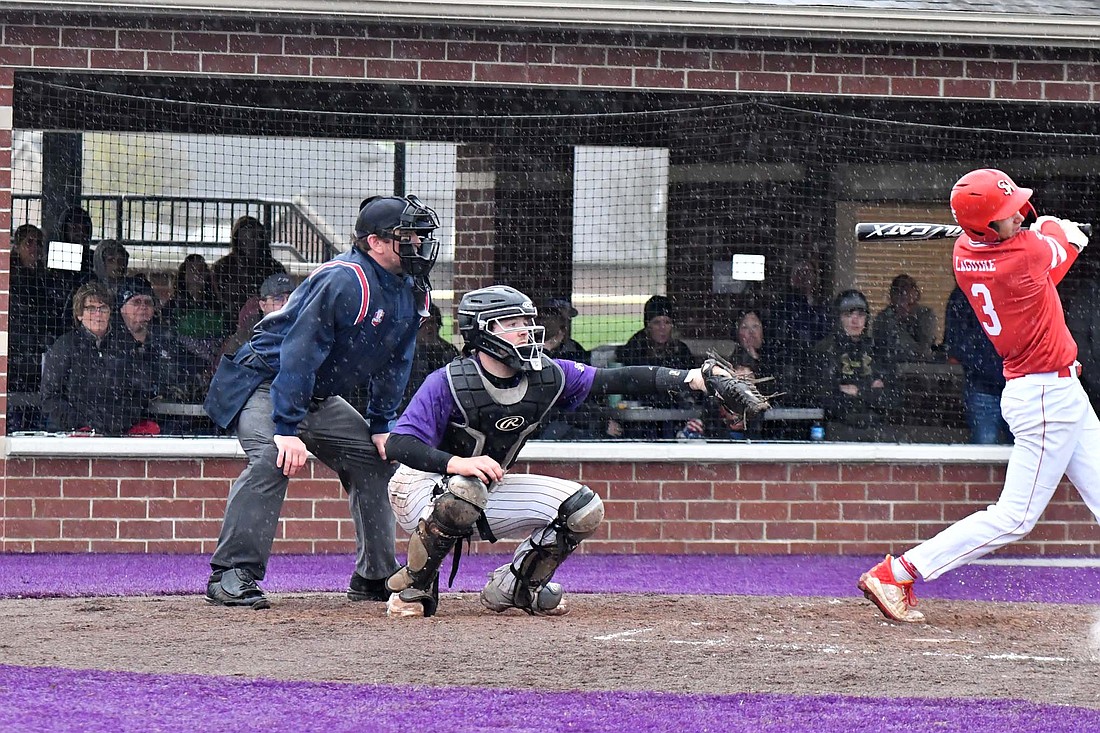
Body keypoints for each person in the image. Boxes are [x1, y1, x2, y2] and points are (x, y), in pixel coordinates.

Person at [380, 285, 729, 617]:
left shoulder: (546, 374)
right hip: (418, 487)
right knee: (464, 491)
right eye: (513, 324)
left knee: (583, 509)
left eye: (527, 322)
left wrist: (691, 378)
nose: (528, 330)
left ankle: (516, 585)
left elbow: (614, 380)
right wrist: (459, 463)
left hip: (484, 488)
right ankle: (415, 587)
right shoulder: (447, 381)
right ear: (483, 332)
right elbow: (398, 444)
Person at [859, 168, 1100, 623]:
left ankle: (899, 572)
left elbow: (1038, 243)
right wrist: (1062, 228)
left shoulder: (964, 251)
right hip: (1045, 395)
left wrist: (1044, 226)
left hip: (1057, 390)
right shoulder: (1024, 255)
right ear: (986, 226)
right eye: (1007, 214)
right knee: (1014, 518)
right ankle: (899, 572)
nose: (1017, 217)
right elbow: (1054, 244)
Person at [202, 194, 441, 610]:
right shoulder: (344, 279)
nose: (418, 244)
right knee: (272, 457)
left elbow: (396, 362)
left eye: (420, 236)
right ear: (376, 242)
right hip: (263, 382)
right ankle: (231, 574)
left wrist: (382, 425)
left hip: (312, 392)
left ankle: (374, 576)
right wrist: (287, 429)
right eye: (408, 236)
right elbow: (299, 353)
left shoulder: (412, 288)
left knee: (374, 458)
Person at [39, 282, 155, 435]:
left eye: (103, 308)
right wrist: (82, 425)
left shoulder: (126, 346)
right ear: (80, 314)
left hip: (118, 433)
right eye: (91, 309)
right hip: (73, 434)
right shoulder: (65, 346)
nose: (98, 314)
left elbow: (140, 391)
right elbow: (50, 397)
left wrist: (119, 421)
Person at [812, 289, 899, 441]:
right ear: (838, 318)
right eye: (848, 314)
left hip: (877, 432)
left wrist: (856, 391)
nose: (855, 320)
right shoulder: (825, 350)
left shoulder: (878, 350)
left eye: (860, 314)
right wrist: (870, 391)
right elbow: (823, 398)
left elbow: (892, 399)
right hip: (837, 431)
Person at [616, 295, 698, 439]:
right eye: (657, 322)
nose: (662, 328)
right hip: (640, 419)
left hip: (674, 417)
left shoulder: (681, 350)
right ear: (648, 324)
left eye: (667, 322)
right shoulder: (634, 349)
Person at [943, 285, 1010, 444]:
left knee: (1027, 454)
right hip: (984, 389)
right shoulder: (964, 294)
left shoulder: (1016, 287)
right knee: (984, 453)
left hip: (1018, 388)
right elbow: (956, 344)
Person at [163, 254, 232, 376]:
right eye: (193, 270)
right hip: (184, 364)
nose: (198, 273)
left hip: (216, 364)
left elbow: (228, 336)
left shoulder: (218, 306)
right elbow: (169, 337)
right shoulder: (173, 306)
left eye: (202, 269)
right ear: (184, 275)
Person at [772, 259, 831, 401]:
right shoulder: (783, 305)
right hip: (790, 367)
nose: (805, 277)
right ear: (792, 278)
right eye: (800, 272)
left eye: (808, 272)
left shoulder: (823, 306)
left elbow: (826, 336)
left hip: (816, 367)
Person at [212, 215, 288, 318]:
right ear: (238, 239)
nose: (256, 241)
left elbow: (284, 298)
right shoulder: (223, 267)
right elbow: (217, 300)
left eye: (259, 236)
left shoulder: (274, 268)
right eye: (251, 236)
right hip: (230, 321)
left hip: (268, 320)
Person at [218, 272, 296, 364]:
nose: (286, 304)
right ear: (263, 305)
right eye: (278, 299)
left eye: (291, 298)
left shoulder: (304, 330)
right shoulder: (246, 337)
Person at [871, 274, 937, 363]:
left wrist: (908, 320)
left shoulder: (925, 314)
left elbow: (924, 348)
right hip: (889, 368)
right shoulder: (884, 318)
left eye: (907, 290)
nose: (903, 295)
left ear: (916, 294)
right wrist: (896, 320)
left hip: (920, 368)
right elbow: (879, 349)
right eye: (898, 291)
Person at [542, 296, 590, 363]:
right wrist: (547, 347)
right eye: (561, 318)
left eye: (568, 319)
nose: (566, 323)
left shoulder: (574, 347)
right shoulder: (533, 342)